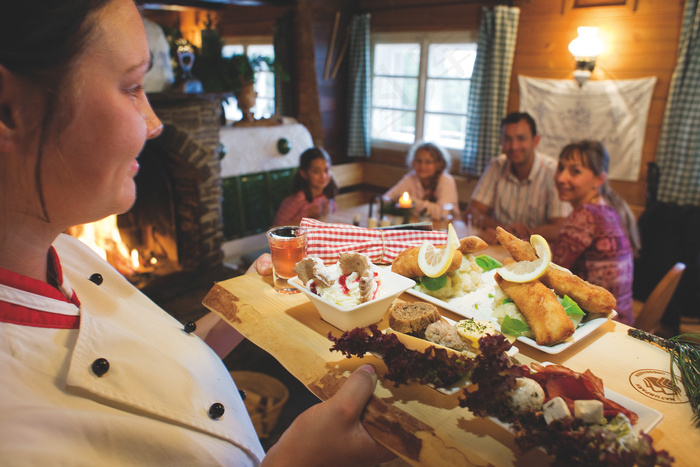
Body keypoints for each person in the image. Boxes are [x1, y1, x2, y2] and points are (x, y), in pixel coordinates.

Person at [0, 1, 394, 465]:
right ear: (10, 110)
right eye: (131, 87)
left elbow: (151, 365)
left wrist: (241, 306)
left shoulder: (69, 253)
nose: (154, 123)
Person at [551, 141, 641, 326]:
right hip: (623, 319)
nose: (561, 178)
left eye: (574, 171)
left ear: (599, 179)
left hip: (601, 325)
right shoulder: (610, 209)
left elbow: (550, 271)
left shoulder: (585, 215)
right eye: (560, 168)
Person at [466, 112, 571, 244]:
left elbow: (559, 228)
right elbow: (472, 212)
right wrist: (505, 231)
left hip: (537, 255)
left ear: (535, 141)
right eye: (508, 139)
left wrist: (517, 234)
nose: (514, 146)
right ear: (501, 142)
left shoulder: (553, 172)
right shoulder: (496, 165)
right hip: (499, 248)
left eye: (521, 138)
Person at [383, 141, 460, 222]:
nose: (422, 166)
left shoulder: (446, 181)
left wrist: (411, 202)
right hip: (421, 226)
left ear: (438, 164)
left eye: (428, 162)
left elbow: (442, 213)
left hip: (448, 228)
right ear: (413, 162)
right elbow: (385, 199)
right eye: (419, 161)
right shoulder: (411, 178)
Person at [273, 146, 339, 226]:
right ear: (303, 173)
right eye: (316, 171)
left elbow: (332, 218)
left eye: (326, 170)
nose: (323, 176)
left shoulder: (327, 196)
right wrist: (310, 219)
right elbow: (276, 227)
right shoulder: (298, 199)